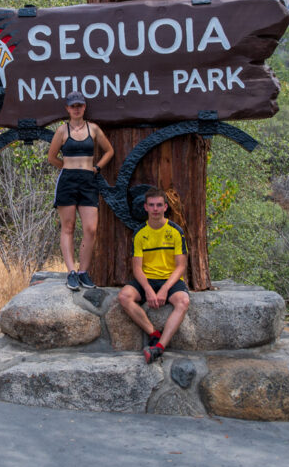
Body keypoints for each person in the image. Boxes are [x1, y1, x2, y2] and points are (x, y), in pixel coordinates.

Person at [47, 90, 114, 291]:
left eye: (80, 105)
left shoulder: (93, 129)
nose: (76, 109)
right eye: (73, 106)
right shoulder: (62, 131)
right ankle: (71, 273)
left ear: (84, 107)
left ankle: (84, 271)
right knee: (68, 227)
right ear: (67, 109)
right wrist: (67, 169)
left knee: (91, 228)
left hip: (88, 180)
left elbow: (109, 151)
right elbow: (51, 157)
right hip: (67, 180)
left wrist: (97, 168)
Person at [117, 188, 191, 363]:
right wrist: (148, 289)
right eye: (152, 205)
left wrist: (165, 288)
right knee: (124, 296)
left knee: (183, 301)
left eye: (159, 205)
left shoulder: (175, 231)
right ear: (146, 207)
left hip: (170, 279)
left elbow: (181, 266)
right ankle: (154, 334)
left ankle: (159, 347)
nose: (155, 209)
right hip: (147, 278)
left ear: (165, 207)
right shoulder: (140, 233)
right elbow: (137, 268)